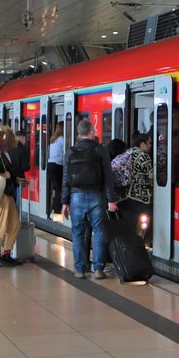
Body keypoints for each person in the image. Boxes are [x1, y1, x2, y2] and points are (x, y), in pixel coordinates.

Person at [61, 119, 116, 280]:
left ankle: (80, 269)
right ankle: (98, 269)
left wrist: (64, 202)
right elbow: (108, 176)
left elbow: (66, 179)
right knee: (98, 233)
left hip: (76, 197)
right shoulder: (100, 150)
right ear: (91, 132)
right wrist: (111, 199)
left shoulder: (70, 152)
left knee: (77, 233)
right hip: (96, 196)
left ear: (79, 133)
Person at [0, 128, 23, 267]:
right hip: (0, 194)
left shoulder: (5, 153)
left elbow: (9, 171)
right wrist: (2, 175)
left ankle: (7, 254)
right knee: (0, 227)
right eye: (12, 137)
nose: (15, 139)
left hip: (8, 193)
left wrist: (15, 178)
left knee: (14, 225)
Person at [116, 133, 154, 243]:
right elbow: (151, 177)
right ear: (142, 144)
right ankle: (144, 241)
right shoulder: (144, 156)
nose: (151, 146)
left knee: (131, 223)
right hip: (142, 198)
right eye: (149, 143)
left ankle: (128, 242)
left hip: (128, 196)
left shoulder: (128, 153)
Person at [46, 123, 65, 218]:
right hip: (58, 166)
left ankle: (55, 213)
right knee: (60, 190)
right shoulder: (62, 139)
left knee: (57, 190)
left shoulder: (53, 139)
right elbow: (66, 154)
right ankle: (57, 215)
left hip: (51, 165)